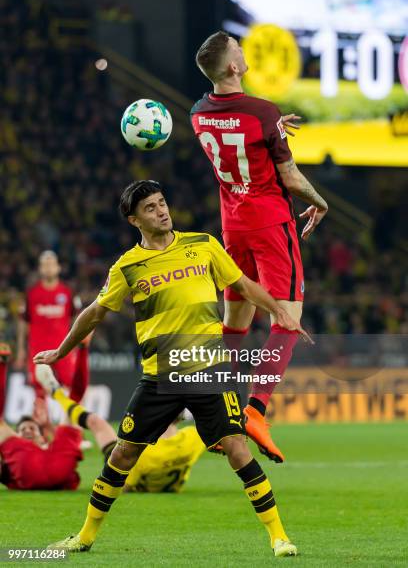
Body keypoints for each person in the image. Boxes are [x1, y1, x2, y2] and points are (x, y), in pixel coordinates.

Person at [34, 180, 311, 556]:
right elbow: (95, 312)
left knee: (236, 447)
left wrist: (280, 310)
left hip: (210, 371)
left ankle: (279, 537)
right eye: (150, 208)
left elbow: (244, 285)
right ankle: (84, 535)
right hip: (160, 377)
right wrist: (61, 350)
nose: (161, 211)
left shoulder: (203, 245)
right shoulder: (128, 266)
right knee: (122, 455)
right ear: (134, 220)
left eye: (162, 203)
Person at [191, 31, 328, 459]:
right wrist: (320, 202)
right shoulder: (260, 111)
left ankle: (221, 409)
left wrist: (274, 130)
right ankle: (255, 408)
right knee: (287, 318)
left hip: (233, 228)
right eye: (238, 49)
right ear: (233, 66)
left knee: (235, 321)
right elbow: (287, 177)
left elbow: (238, 141)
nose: (243, 52)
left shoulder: (198, 113)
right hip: (271, 222)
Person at [0, 365, 114, 491]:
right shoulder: (13, 456)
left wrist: (47, 425)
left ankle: (82, 350)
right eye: (22, 430)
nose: (27, 430)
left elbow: (53, 442)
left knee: (75, 402)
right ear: (16, 437)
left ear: (42, 439)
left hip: (56, 461)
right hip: (29, 463)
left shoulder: (57, 449)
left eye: (32, 428)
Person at [15, 250, 90, 407]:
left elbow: (76, 319)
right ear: (40, 269)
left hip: (63, 349)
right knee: (39, 391)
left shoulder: (67, 293)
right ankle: (43, 428)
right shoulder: (31, 294)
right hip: (38, 349)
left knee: (73, 387)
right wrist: (21, 348)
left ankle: (74, 426)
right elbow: (23, 322)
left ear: (58, 268)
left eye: (51, 265)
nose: (49, 268)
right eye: (45, 265)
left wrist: (75, 343)